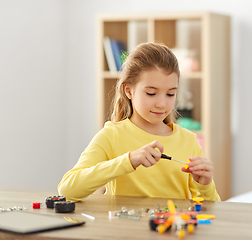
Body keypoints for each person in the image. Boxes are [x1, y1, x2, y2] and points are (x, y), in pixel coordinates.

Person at [58, 42, 221, 202]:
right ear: (128, 90)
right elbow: (67, 189)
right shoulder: (113, 135)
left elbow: (210, 210)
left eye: (170, 94)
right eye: (151, 93)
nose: (162, 104)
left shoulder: (189, 141)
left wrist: (205, 185)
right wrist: (128, 160)